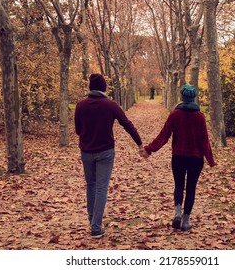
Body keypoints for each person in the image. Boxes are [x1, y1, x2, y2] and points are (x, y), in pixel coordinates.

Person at [74, 73, 145, 239]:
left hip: (86, 151)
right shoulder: (110, 105)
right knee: (100, 187)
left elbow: (78, 130)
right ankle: (96, 227)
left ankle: (93, 220)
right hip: (105, 152)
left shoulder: (80, 105)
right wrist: (140, 144)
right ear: (104, 88)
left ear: (90, 87)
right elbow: (127, 124)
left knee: (90, 185)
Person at [140, 84, 216, 231]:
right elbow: (204, 140)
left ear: (182, 97)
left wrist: (149, 149)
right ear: (194, 98)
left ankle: (177, 214)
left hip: (178, 157)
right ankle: (186, 221)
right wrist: (210, 160)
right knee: (191, 188)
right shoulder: (200, 117)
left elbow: (164, 135)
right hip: (196, 158)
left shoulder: (175, 115)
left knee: (179, 186)